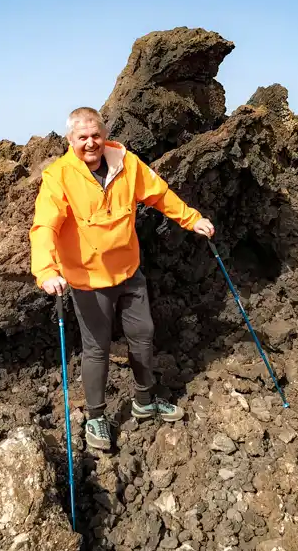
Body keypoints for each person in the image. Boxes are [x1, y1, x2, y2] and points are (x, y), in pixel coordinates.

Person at [29, 106, 215, 451]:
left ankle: (145, 400)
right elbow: (45, 226)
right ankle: (96, 416)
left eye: (95, 135)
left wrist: (192, 219)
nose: (90, 143)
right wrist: (46, 270)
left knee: (143, 334)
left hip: (129, 271)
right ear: (70, 140)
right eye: (82, 137)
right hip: (88, 279)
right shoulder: (59, 176)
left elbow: (159, 194)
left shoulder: (127, 163)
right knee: (97, 348)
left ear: (104, 135)